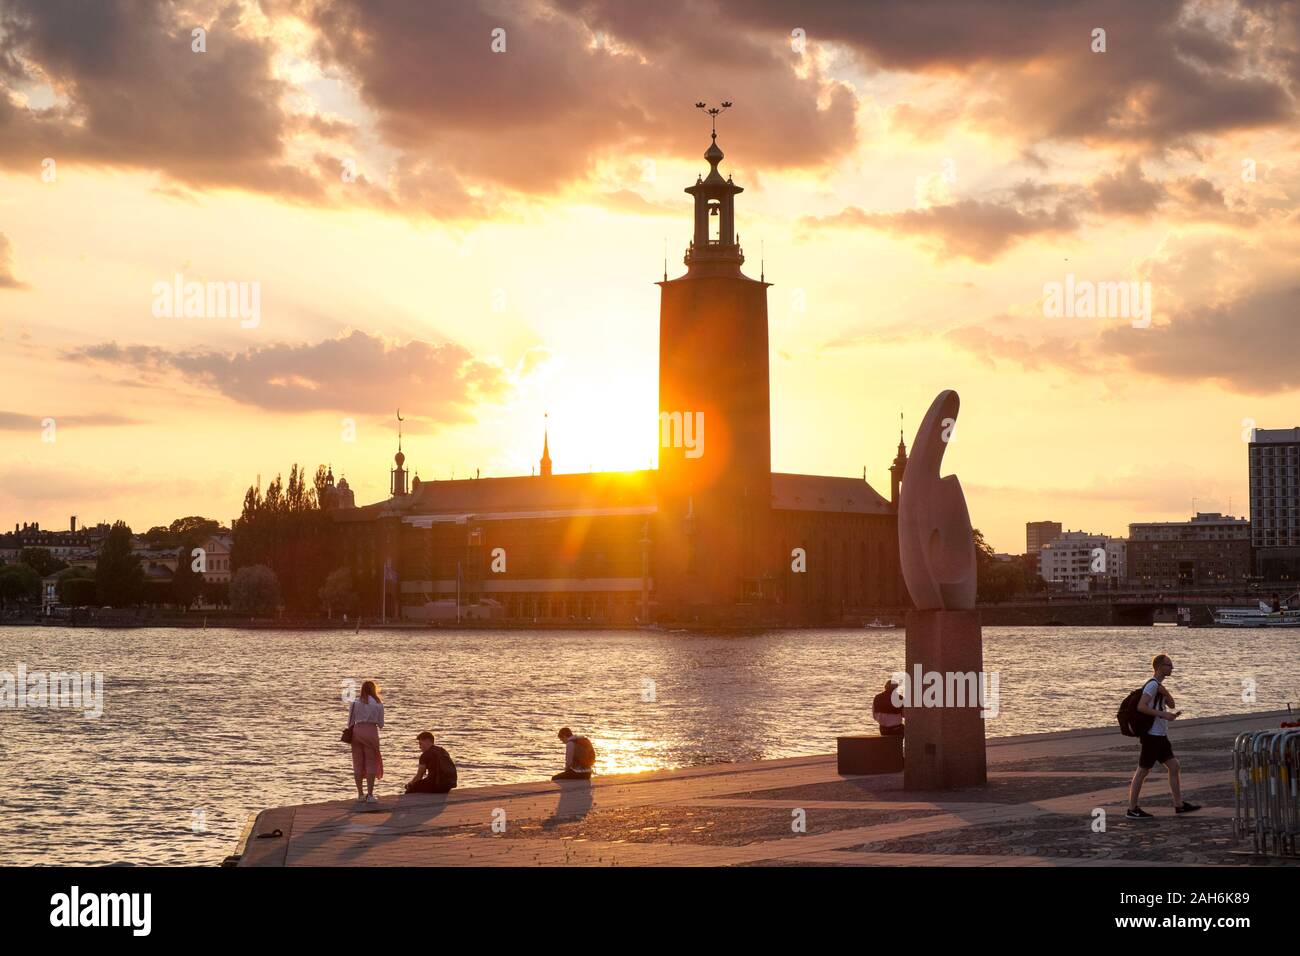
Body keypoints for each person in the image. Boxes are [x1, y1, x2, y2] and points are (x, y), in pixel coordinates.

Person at [1126, 654, 1200, 819]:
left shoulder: (1158, 686)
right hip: (1151, 736)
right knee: (1142, 771)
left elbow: (1172, 704)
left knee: (1174, 767)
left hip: (1160, 735)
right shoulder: (1151, 686)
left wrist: (1165, 692)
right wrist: (1163, 715)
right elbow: (1141, 707)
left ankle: (1179, 805)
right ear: (1160, 667)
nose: (1172, 668)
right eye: (1169, 665)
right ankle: (1132, 808)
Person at [348, 680, 385, 804]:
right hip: (371, 731)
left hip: (357, 731)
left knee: (357, 762)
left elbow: (350, 722)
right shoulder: (378, 704)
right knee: (371, 762)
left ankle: (360, 794)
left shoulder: (355, 703)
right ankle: (370, 795)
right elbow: (381, 724)